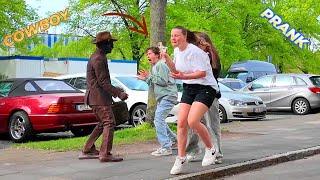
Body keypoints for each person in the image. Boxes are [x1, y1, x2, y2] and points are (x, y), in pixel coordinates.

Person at [162, 26, 219, 175]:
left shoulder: (196, 52)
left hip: (206, 87)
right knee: (181, 123)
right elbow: (175, 70)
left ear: (185, 36)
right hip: (189, 87)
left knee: (192, 121)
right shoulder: (176, 51)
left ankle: (210, 149)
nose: (173, 38)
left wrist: (183, 77)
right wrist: (167, 59)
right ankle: (180, 158)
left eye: (176, 35)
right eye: (172, 35)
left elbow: (202, 73)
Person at [78, 31, 128, 163]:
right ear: (105, 44)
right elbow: (103, 82)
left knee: (103, 123)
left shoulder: (97, 56)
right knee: (109, 123)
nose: (112, 46)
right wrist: (119, 93)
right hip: (98, 98)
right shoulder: (99, 59)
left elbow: (101, 82)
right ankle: (105, 154)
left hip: (96, 97)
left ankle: (88, 149)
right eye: (111, 43)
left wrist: (116, 90)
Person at [185, 31, 223, 164]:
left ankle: (216, 153)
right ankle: (192, 150)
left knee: (211, 124)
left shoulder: (211, 55)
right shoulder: (191, 54)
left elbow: (214, 71)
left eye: (200, 41)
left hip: (209, 94)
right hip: (193, 93)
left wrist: (208, 53)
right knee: (191, 123)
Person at [138, 46, 178, 156]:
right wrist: (146, 78)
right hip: (163, 97)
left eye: (150, 53)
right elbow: (154, 83)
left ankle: (166, 147)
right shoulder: (154, 67)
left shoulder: (161, 65)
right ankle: (174, 140)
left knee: (158, 119)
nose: (148, 56)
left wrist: (149, 76)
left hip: (168, 95)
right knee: (159, 119)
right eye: (147, 54)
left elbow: (163, 81)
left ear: (157, 55)